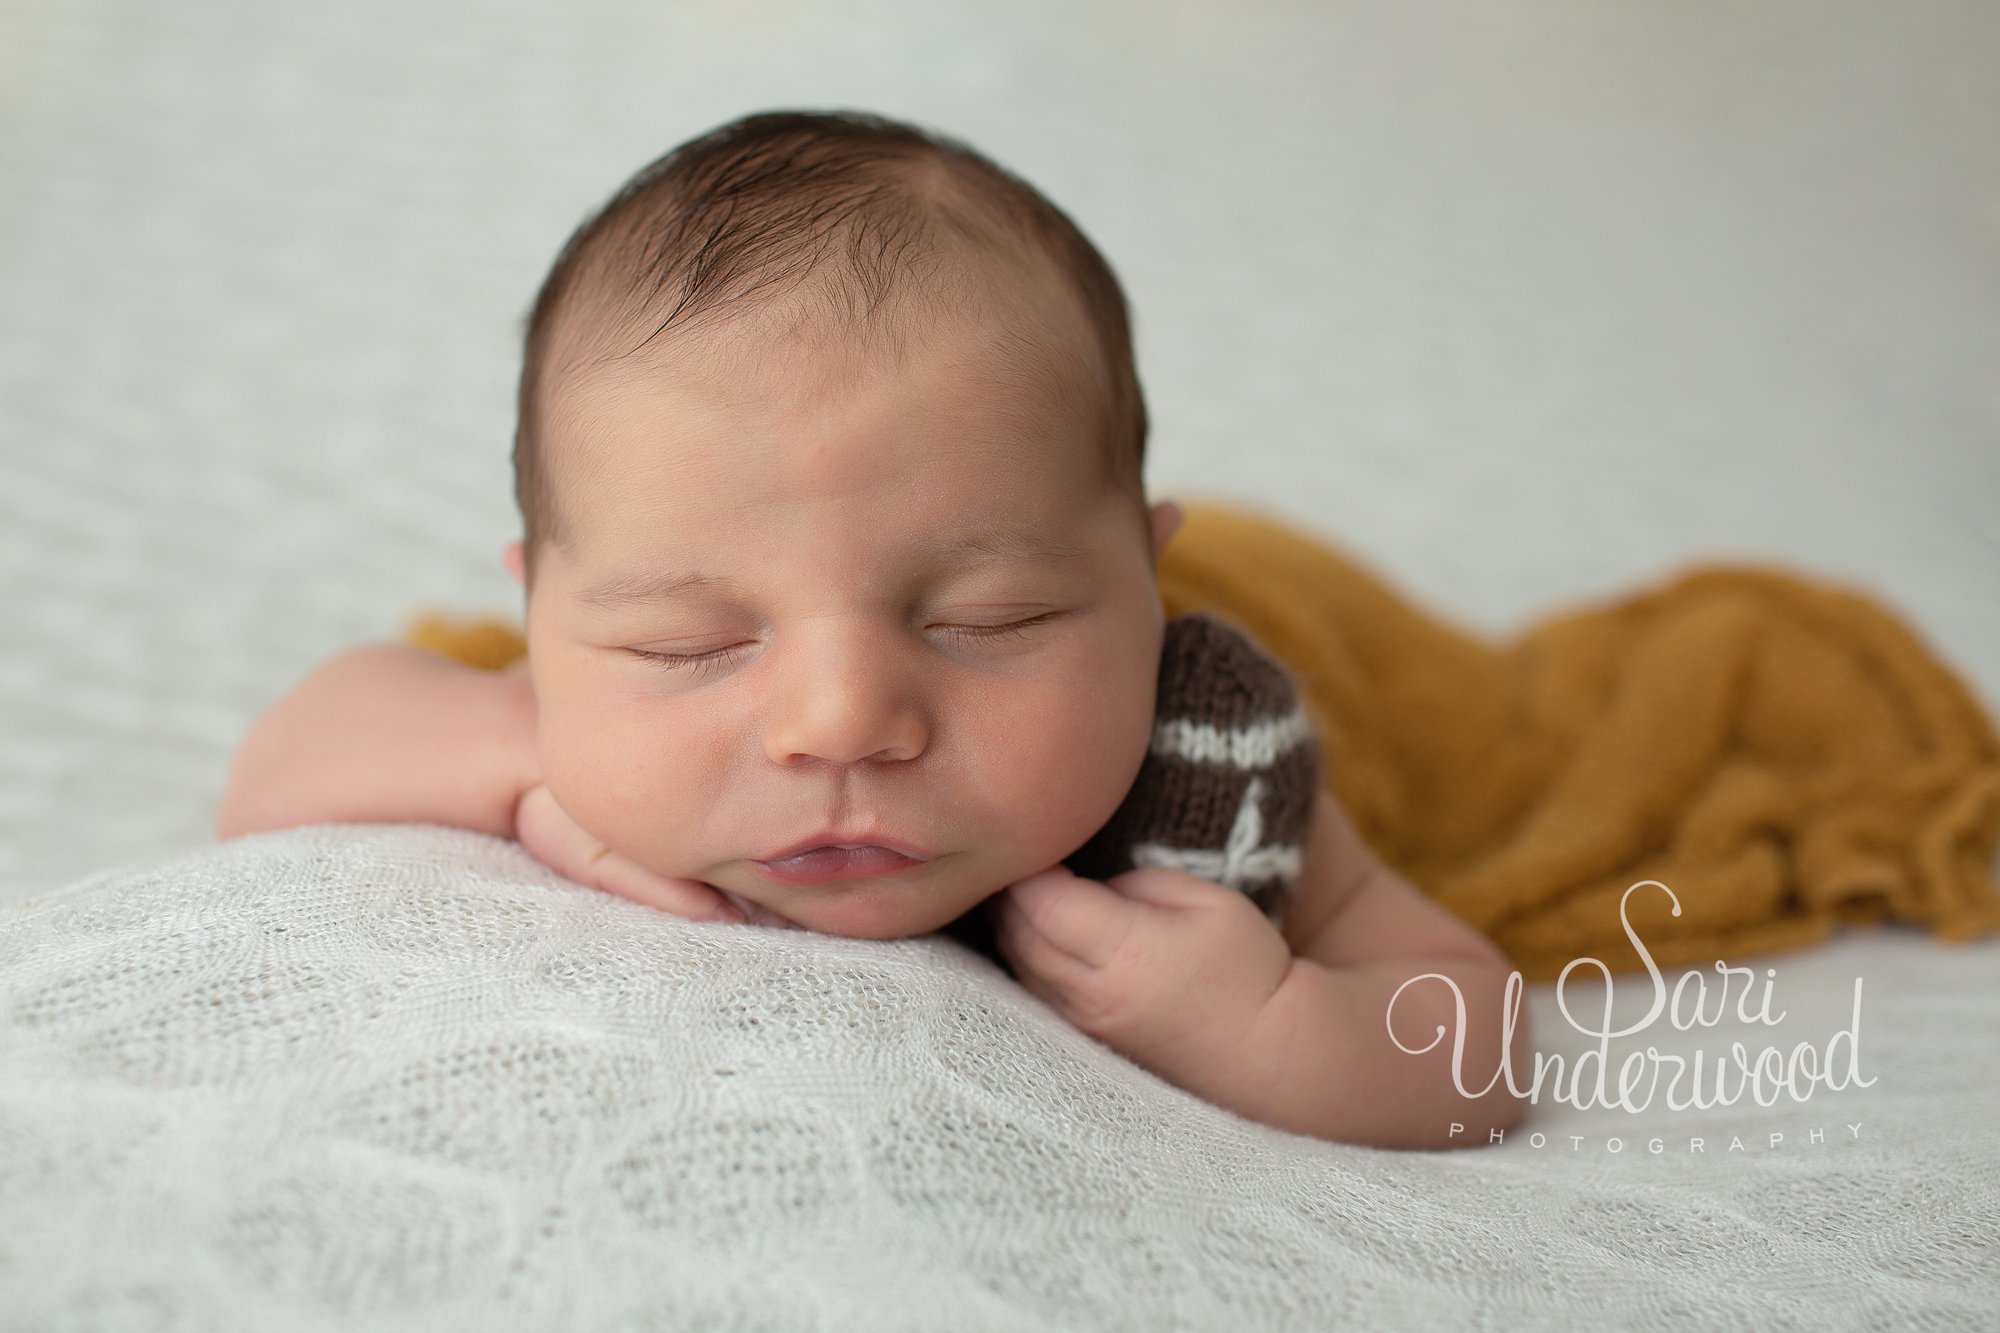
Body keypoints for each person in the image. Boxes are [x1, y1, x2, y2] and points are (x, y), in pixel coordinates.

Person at [216, 108, 1528, 1149]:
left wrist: (1268, 1020)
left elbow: (1477, 1042)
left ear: (1143, 581)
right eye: (690, 644)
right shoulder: (567, 705)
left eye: (988, 618)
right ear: (541, 616)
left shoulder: (1204, 748)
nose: (841, 718)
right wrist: (517, 747)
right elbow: (278, 766)